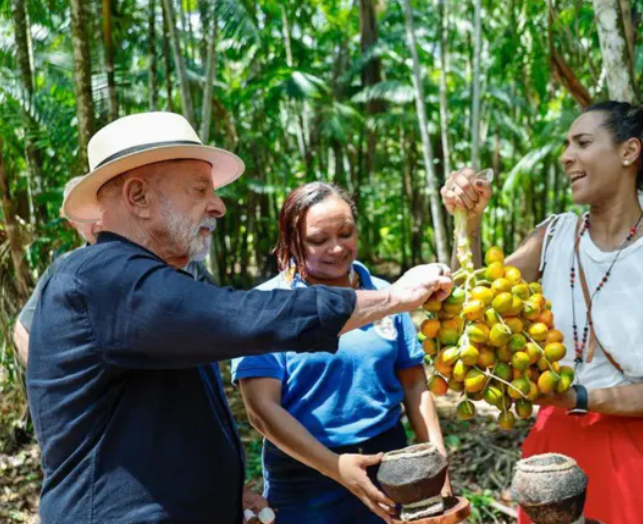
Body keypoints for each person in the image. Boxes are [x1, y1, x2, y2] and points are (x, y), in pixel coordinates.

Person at [27, 112, 452, 524]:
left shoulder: (153, 287)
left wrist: (225, 495)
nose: (218, 206)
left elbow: (158, 423)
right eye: (199, 191)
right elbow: (245, 317)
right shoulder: (103, 278)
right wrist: (394, 297)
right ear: (138, 197)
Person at [442, 100, 643, 524]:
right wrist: (470, 221)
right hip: (552, 458)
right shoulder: (552, 237)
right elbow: (470, 304)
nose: (566, 155)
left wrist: (582, 398)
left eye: (583, 142)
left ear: (629, 152)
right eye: (567, 144)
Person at [232, 182, 449, 524]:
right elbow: (261, 408)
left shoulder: (388, 296)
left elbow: (413, 385)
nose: (336, 248)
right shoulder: (267, 306)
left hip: (391, 465)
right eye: (318, 240)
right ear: (292, 241)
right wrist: (335, 467)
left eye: (346, 233)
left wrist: (438, 463)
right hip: (306, 477)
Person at [13, 177, 213, 366]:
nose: (99, 220)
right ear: (73, 222)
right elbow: (23, 329)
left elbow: (217, 314)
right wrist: (51, 380)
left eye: (101, 208)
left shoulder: (173, 256)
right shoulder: (65, 269)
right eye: (87, 214)